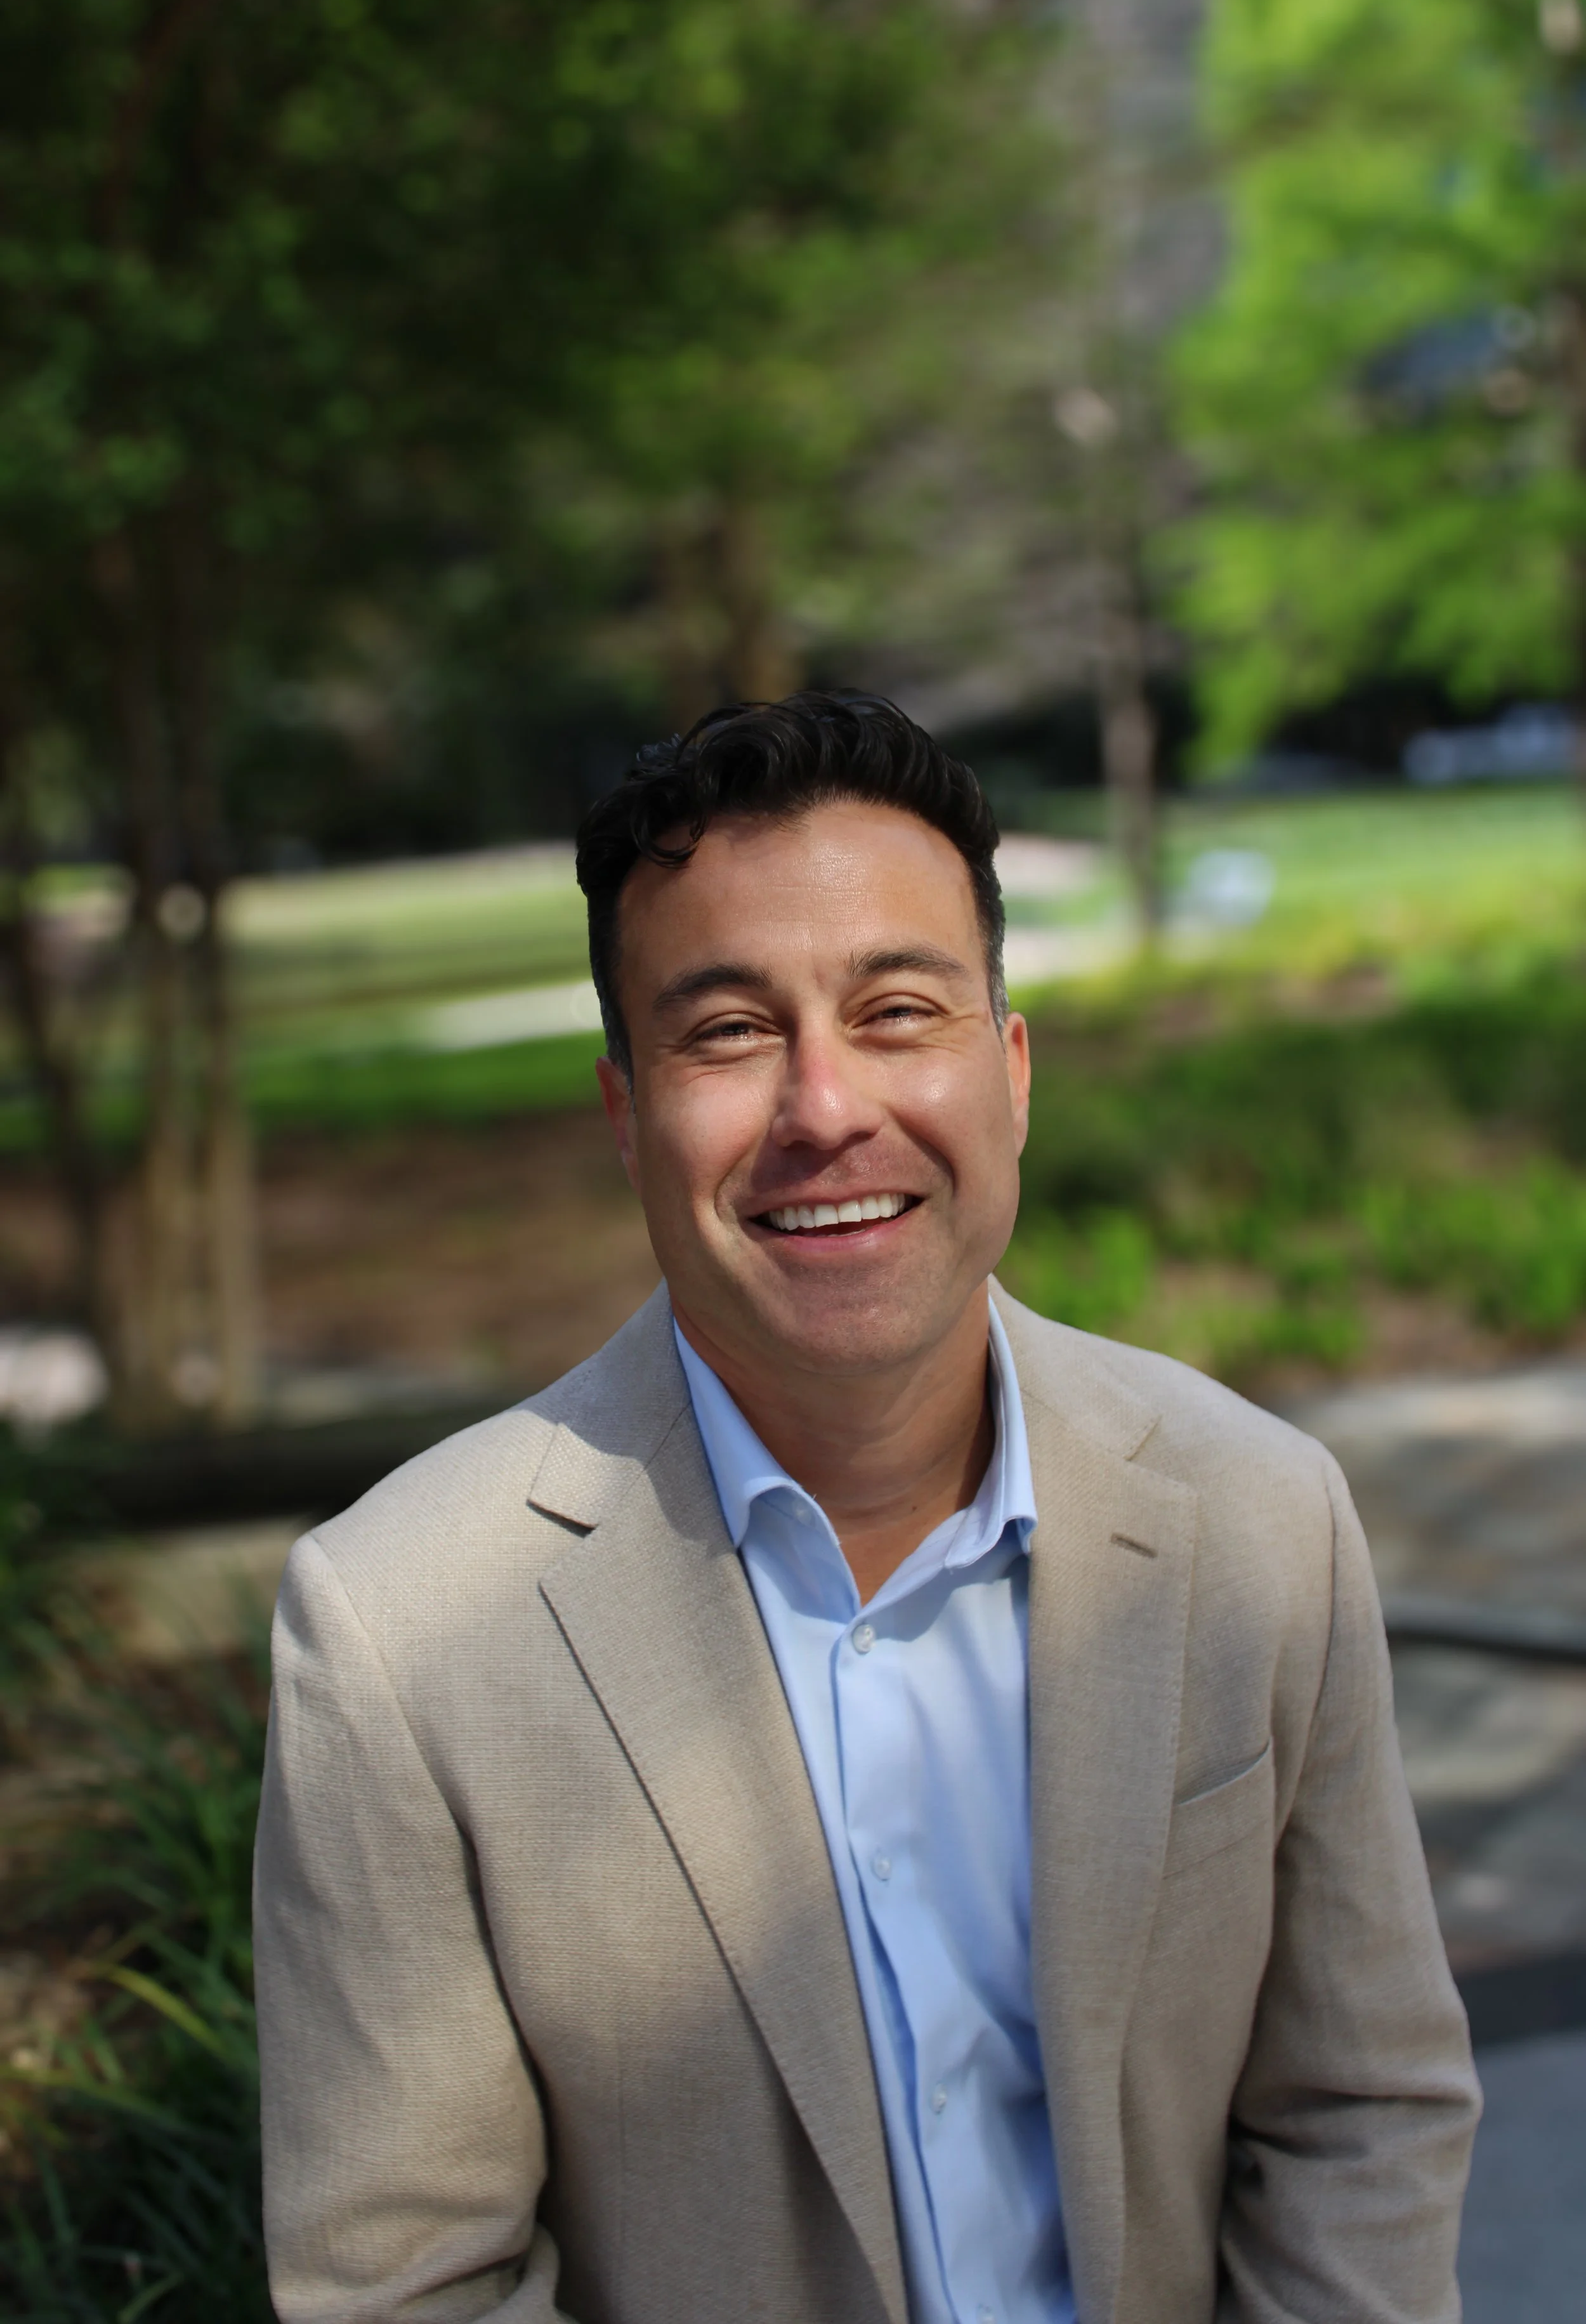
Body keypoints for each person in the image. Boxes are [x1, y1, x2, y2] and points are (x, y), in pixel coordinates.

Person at [254, 691, 1479, 2324]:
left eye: (897, 1010)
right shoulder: (401, 1633)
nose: (824, 1107)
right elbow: (406, 2285)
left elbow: (1362, 2112)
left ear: (1010, 1071)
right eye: (728, 1031)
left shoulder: (1256, 1517)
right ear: (628, 1119)